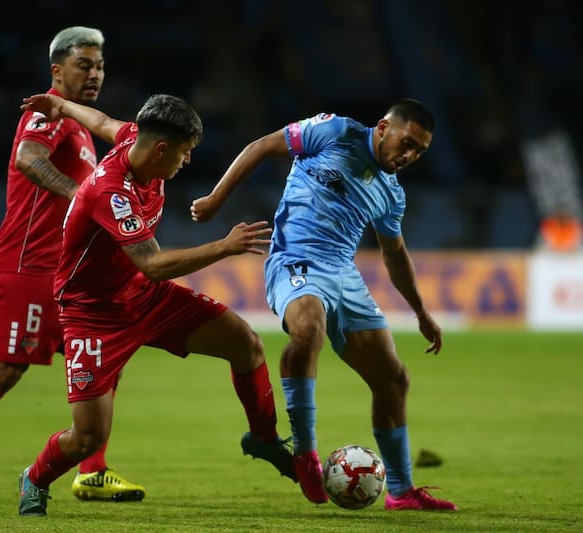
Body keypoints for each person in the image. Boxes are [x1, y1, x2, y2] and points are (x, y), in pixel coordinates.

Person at [15, 92, 295, 517]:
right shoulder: (112, 191)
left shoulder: (134, 139)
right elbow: (153, 265)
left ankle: (264, 439)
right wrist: (224, 246)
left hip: (144, 297)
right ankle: (34, 478)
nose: (185, 163)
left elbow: (103, 119)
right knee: (88, 438)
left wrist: (63, 107)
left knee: (246, 343)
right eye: (184, 154)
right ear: (162, 148)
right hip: (94, 315)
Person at [191, 99, 458, 511]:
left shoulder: (391, 193)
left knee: (393, 380)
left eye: (419, 152)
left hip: (342, 274)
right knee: (308, 329)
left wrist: (421, 312)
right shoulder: (335, 132)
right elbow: (261, 146)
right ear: (384, 127)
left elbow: (395, 253)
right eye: (406, 143)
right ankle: (305, 453)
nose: (408, 156)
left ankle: (402, 492)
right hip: (294, 259)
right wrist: (215, 199)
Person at [0, 26, 145, 504]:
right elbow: (28, 158)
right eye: (84, 65)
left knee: (102, 358)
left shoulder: (82, 127)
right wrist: (82, 197)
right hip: (27, 266)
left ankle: (92, 471)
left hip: (61, 273)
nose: (94, 74)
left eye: (100, 66)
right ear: (57, 71)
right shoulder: (48, 113)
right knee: (4, 370)